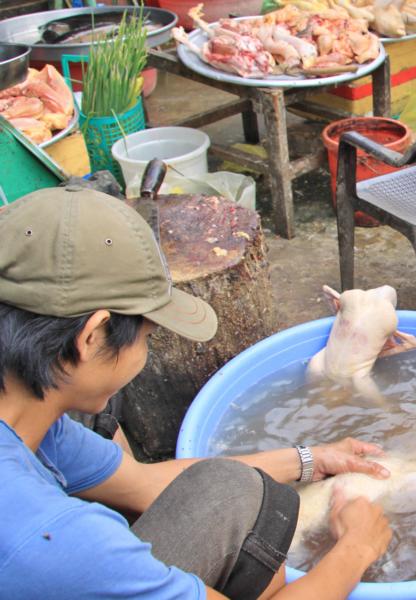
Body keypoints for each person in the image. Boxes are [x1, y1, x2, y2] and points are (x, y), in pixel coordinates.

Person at [0, 187, 393, 599]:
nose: (144, 352)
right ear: (92, 337)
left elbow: (142, 482)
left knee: (232, 487)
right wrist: (356, 549)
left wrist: (311, 459)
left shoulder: (33, 421)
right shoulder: (59, 538)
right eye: (147, 337)